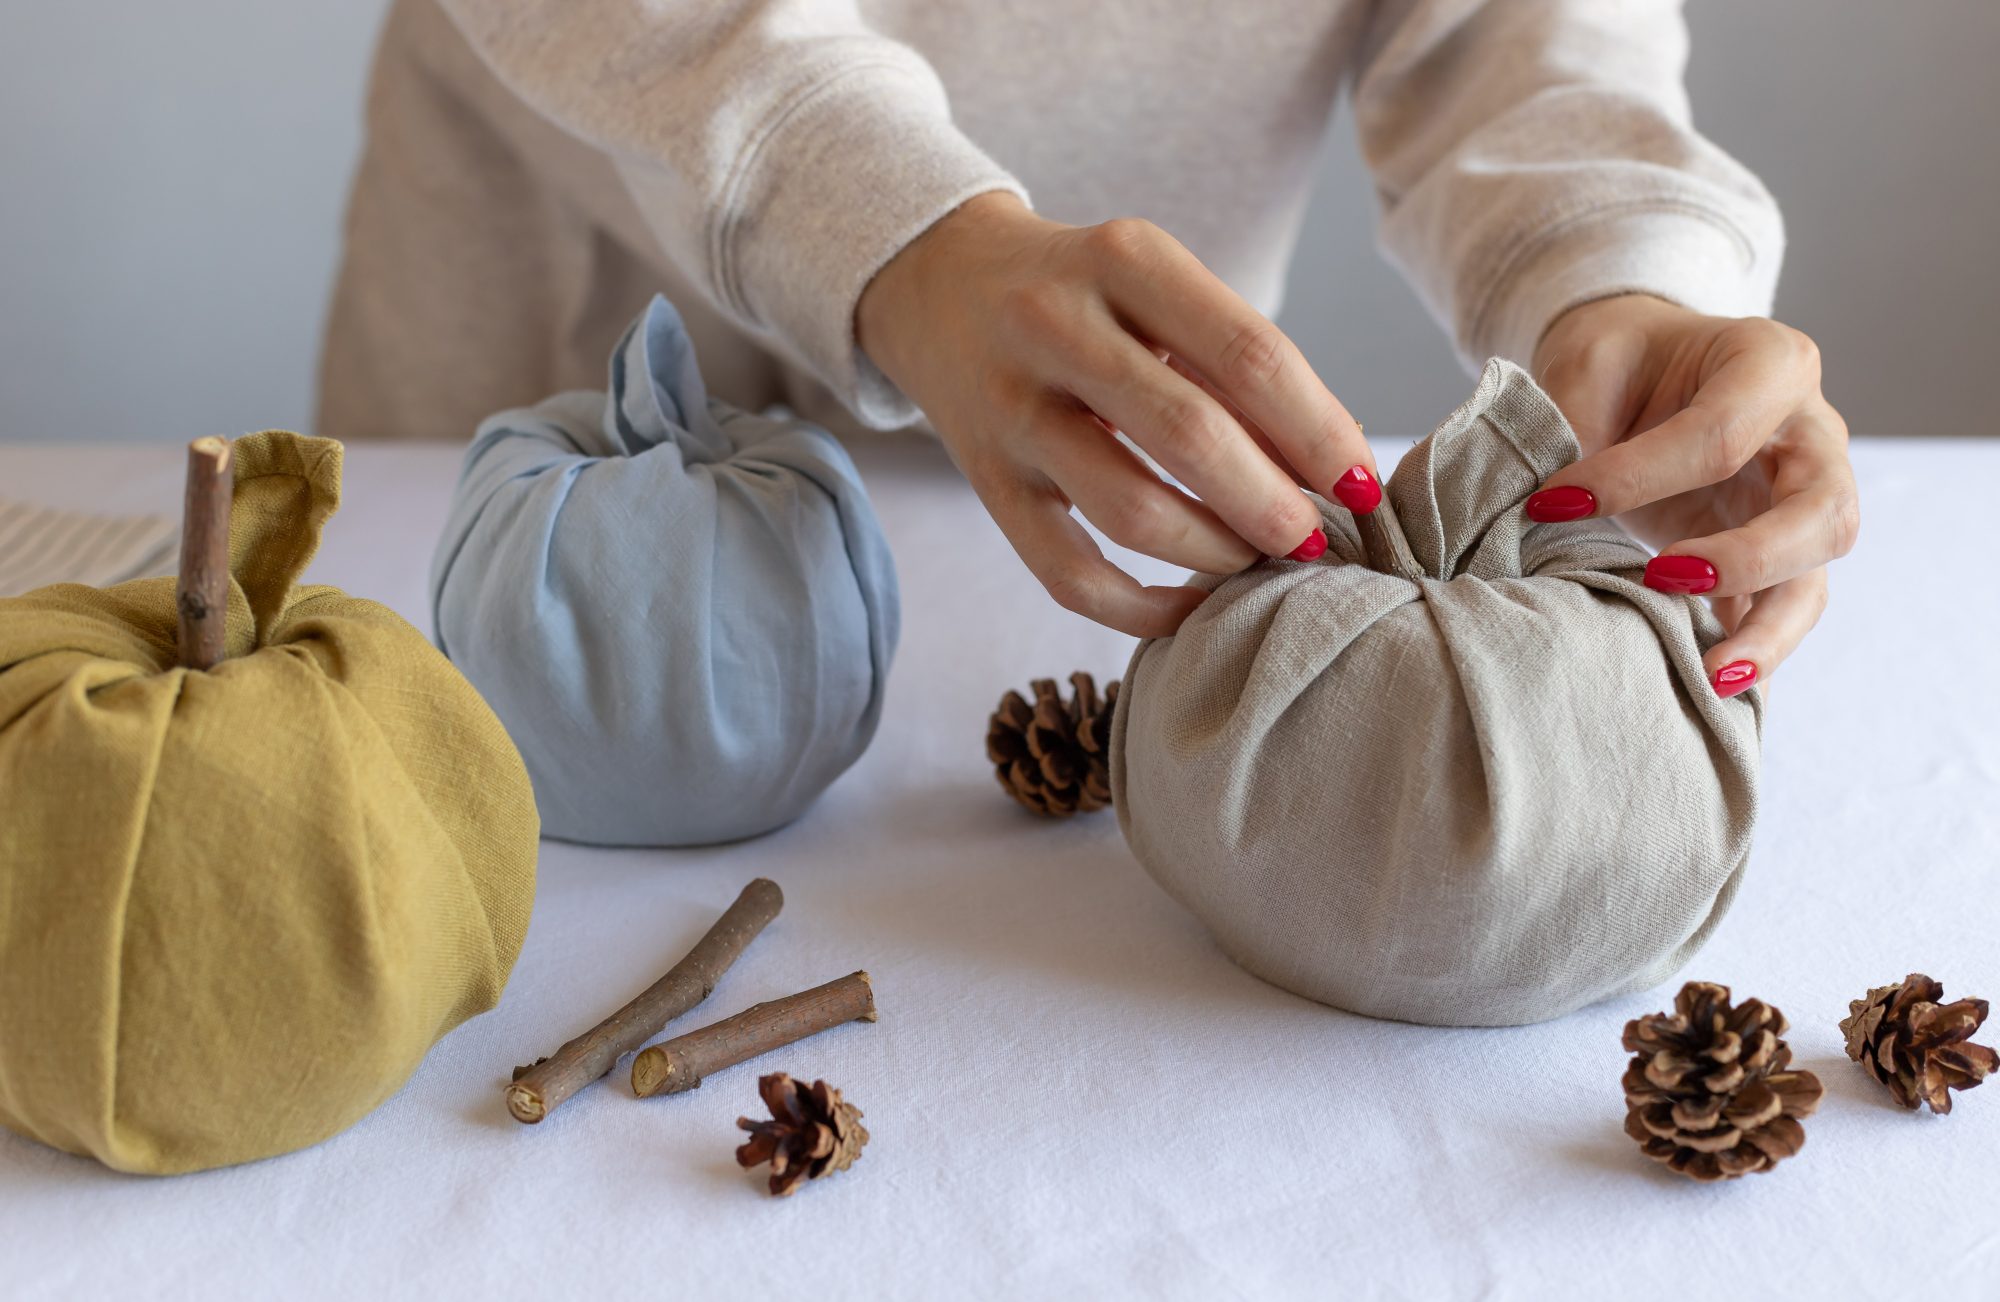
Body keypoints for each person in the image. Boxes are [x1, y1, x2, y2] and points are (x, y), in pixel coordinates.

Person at [323, 0, 1856, 700]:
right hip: (555, 332)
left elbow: (1517, 31)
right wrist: (895, 229)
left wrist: (1629, 280)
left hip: (1118, 447)